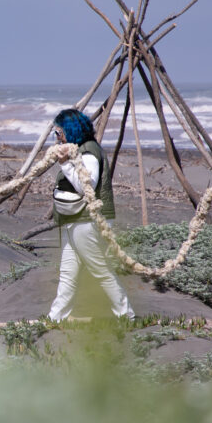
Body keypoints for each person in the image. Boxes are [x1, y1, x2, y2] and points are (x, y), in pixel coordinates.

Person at [47, 109, 134, 322]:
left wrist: (65, 164)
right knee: (68, 273)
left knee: (100, 270)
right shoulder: (78, 149)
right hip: (74, 220)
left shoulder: (88, 152)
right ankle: (55, 317)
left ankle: (126, 315)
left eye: (58, 132)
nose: (57, 138)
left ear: (70, 131)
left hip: (87, 221)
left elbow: (87, 186)